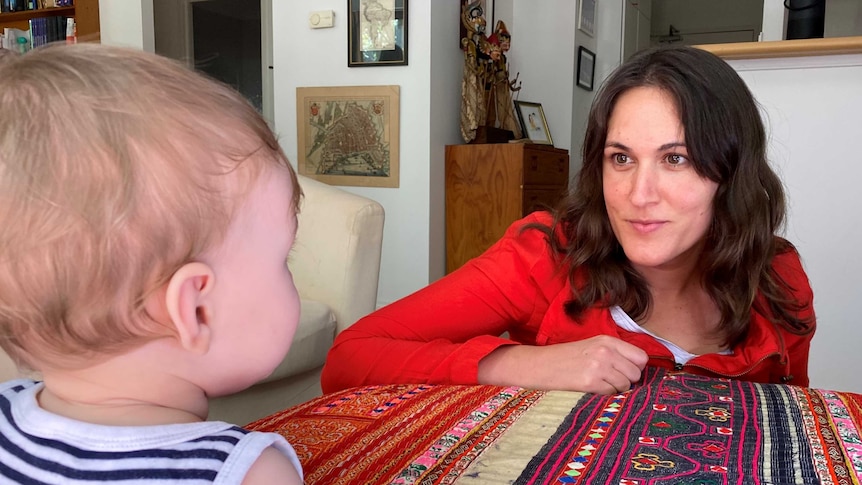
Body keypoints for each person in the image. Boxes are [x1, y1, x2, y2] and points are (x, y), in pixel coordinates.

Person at [322, 45, 816, 395]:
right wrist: (520, 362)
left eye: (676, 159)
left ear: (731, 173)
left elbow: (792, 419)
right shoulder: (546, 255)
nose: (638, 195)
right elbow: (351, 356)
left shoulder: (778, 277)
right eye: (620, 158)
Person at [0, 43, 303, 484]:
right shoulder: (246, 473)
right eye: (284, 259)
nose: (290, 272)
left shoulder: (7, 411)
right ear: (195, 309)